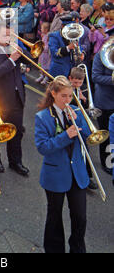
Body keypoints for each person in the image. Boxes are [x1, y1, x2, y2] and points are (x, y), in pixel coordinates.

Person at [35, 76, 91, 253]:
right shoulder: (42, 117)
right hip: (55, 174)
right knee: (54, 216)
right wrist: (66, 135)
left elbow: (89, 137)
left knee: (80, 217)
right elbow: (43, 147)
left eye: (70, 96)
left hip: (77, 173)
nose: (68, 100)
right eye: (64, 96)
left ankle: (77, 249)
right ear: (53, 94)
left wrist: (79, 119)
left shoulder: (76, 110)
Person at [0, 21, 30, 176]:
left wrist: (22, 51)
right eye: (5, 34)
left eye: (10, 34)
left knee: (16, 132)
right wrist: (11, 60)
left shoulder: (12, 48)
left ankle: (16, 161)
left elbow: (31, 62)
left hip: (16, 98)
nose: (8, 38)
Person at [92, 38, 114, 174]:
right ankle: (107, 162)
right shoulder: (102, 55)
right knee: (106, 134)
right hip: (104, 102)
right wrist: (112, 79)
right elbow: (95, 76)